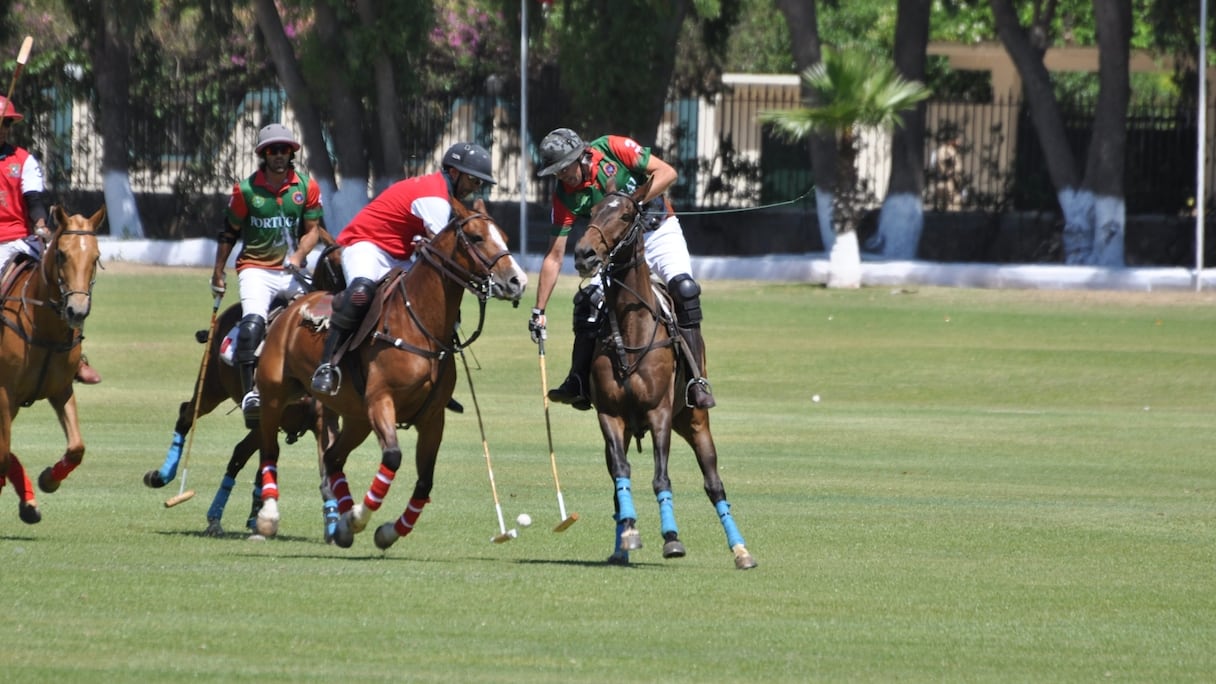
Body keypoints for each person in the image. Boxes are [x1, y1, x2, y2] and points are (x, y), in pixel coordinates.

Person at [528, 128, 715, 411]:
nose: (562, 176)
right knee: (587, 302)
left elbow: (667, 173)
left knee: (685, 290)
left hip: (657, 232)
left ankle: (696, 381)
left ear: (581, 156)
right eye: (556, 172)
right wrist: (539, 311)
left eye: (565, 167)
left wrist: (631, 204)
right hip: (616, 248)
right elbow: (554, 256)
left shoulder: (614, 148)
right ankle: (578, 381)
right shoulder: (564, 195)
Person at [309, 142, 496, 396]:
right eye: (474, 181)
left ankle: (433, 380)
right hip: (367, 245)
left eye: (480, 184)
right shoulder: (435, 197)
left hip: (399, 255)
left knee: (437, 300)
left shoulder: (447, 199)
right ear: (454, 173)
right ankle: (327, 366)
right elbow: (443, 255)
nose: (476, 188)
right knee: (361, 293)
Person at [212, 123, 323, 429]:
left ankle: (320, 381)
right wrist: (218, 271)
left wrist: (299, 257)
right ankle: (250, 394)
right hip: (256, 270)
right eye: (272, 150)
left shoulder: (305, 187)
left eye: (284, 150)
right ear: (263, 154)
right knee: (252, 325)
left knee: (323, 320)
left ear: (291, 153)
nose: (278, 155)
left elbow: (313, 231)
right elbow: (229, 233)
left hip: (292, 270)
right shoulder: (246, 190)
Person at [0, 95, 100, 385]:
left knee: (62, 284)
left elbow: (34, 199)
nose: (4, 129)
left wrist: (41, 224)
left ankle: (75, 358)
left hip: (22, 240)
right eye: (1, 123)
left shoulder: (24, 160)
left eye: (7, 124)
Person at [929, 127, 964, 211]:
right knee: (953, 208)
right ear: (951, 140)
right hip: (948, 183)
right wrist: (953, 173)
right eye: (957, 139)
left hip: (944, 183)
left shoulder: (942, 150)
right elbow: (946, 167)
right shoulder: (947, 151)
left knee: (944, 207)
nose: (959, 141)